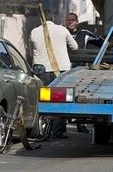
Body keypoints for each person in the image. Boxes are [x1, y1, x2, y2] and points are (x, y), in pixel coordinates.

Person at [30, 10, 78, 139]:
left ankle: (42, 129)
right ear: (53, 18)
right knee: (61, 100)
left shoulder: (34, 32)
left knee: (43, 99)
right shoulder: (62, 30)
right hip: (61, 71)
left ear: (41, 20)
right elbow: (75, 47)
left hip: (42, 71)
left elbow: (31, 50)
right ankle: (58, 131)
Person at [65, 12, 104, 134]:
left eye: (72, 20)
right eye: (68, 20)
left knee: (80, 97)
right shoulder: (62, 33)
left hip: (79, 71)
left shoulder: (84, 34)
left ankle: (81, 124)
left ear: (77, 21)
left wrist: (110, 44)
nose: (70, 22)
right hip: (64, 70)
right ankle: (59, 129)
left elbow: (99, 41)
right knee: (64, 98)